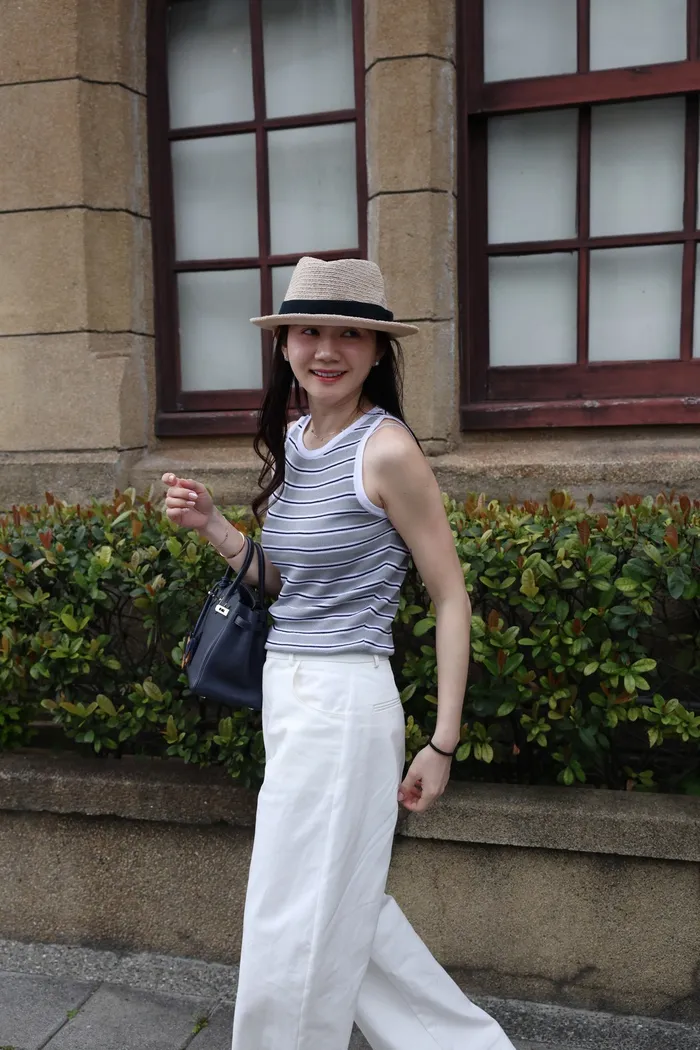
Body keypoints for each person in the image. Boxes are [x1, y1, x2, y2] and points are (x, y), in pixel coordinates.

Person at [162, 257, 515, 1050]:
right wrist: (215, 527)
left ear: (377, 350)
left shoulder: (385, 451)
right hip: (292, 697)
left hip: (345, 702)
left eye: (349, 334)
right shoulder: (296, 440)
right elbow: (286, 587)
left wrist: (442, 743)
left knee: (294, 918)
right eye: (309, 331)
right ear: (284, 343)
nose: (326, 349)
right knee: (344, 907)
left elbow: (450, 596)